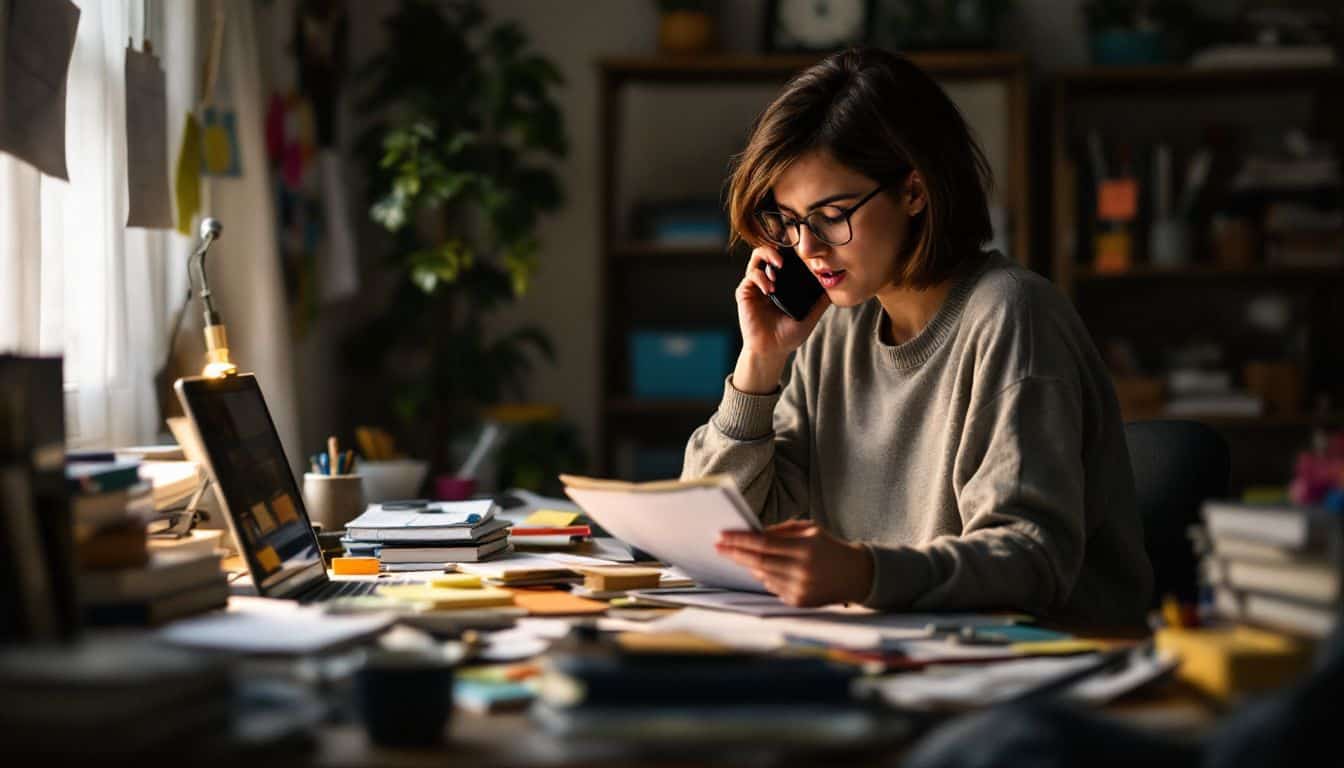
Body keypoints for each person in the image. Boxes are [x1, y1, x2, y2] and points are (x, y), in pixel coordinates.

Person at [682, 48, 1152, 627]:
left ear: (914, 191)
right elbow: (721, 535)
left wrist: (864, 574)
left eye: (831, 214)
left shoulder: (1012, 316)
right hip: (890, 656)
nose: (807, 248)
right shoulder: (835, 327)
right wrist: (760, 362)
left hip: (1031, 672)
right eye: (791, 221)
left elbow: (1031, 559)